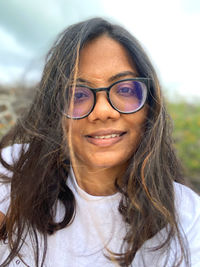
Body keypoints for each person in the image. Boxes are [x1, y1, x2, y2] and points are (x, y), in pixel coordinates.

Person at [0, 17, 200, 267]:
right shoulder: (14, 172)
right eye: (77, 94)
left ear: (150, 106)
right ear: (55, 111)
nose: (103, 111)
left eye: (125, 89)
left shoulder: (187, 216)